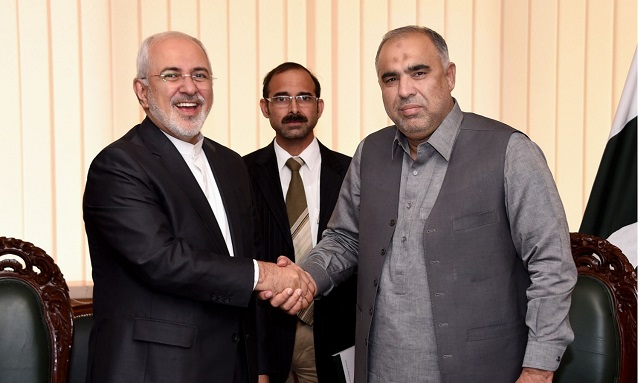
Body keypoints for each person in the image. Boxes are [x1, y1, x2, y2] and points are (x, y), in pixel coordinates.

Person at [266, 26, 577, 383]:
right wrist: (307, 275)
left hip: (483, 369)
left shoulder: (511, 152)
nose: (405, 90)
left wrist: (538, 369)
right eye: (390, 78)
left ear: (449, 76)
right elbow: (344, 238)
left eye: (419, 72)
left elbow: (552, 265)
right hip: (379, 369)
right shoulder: (371, 153)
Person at [82, 31, 314, 383]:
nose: (189, 88)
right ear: (143, 92)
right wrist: (269, 275)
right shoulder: (119, 164)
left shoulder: (231, 165)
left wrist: (260, 365)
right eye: (172, 75)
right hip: (155, 369)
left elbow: (247, 259)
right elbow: (161, 260)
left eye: (200, 75)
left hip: (234, 366)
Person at [244, 62, 356, 383]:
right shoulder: (239, 174)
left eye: (304, 97)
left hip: (335, 336)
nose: (293, 108)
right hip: (265, 339)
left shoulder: (353, 173)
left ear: (319, 107)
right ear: (265, 108)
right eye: (281, 98)